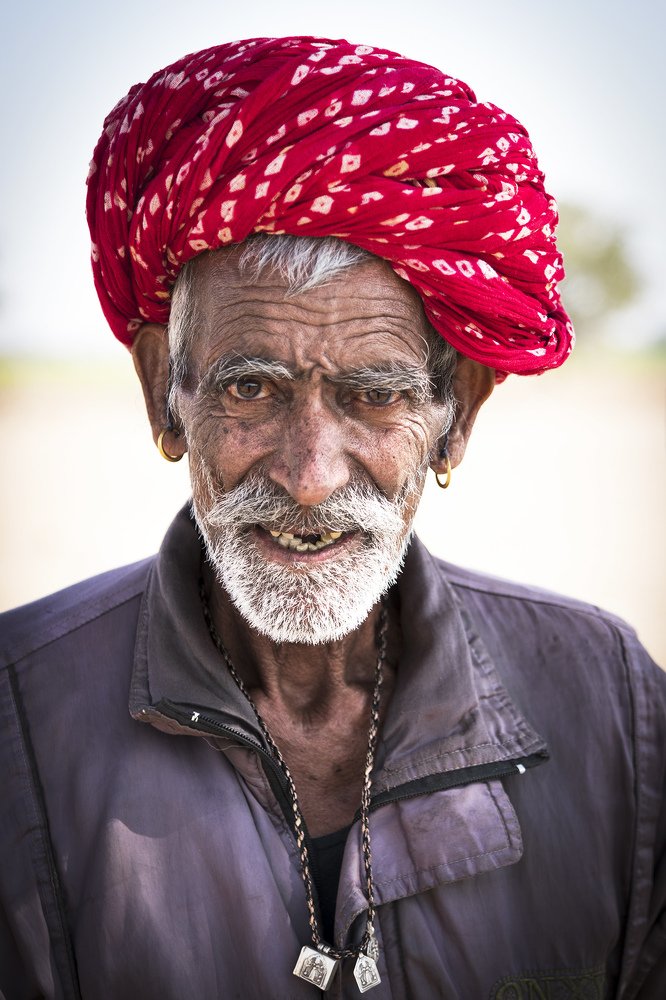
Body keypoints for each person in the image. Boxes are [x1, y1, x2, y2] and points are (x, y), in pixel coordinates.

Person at [0, 36, 663, 1000]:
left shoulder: (613, 708)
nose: (310, 476)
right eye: (253, 387)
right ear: (164, 393)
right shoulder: (14, 720)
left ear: (456, 416)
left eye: (374, 394)